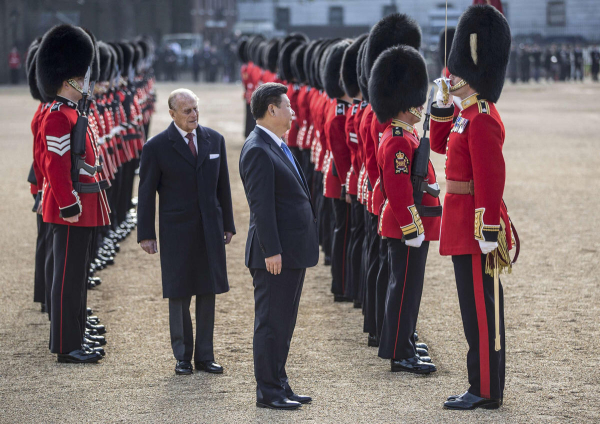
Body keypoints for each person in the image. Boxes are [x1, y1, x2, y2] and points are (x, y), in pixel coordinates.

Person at [430, 5, 515, 409]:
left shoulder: (483, 118)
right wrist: (441, 104)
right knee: (472, 310)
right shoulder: (467, 115)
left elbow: (490, 178)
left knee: (481, 311)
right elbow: (437, 144)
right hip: (460, 221)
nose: (453, 75)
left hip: (474, 226)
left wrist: (489, 230)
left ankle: (485, 389)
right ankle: (480, 383)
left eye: (459, 71)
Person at [137, 88, 235, 376]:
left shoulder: (214, 139)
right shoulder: (155, 147)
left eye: (195, 109)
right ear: (172, 114)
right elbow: (146, 194)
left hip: (210, 229)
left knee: (207, 291)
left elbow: (223, 188)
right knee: (179, 294)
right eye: (187, 110)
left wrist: (227, 224)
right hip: (176, 230)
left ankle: (205, 355)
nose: (194, 115)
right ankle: (183, 356)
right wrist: (146, 233)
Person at [239, 82, 318, 410]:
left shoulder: (275, 144)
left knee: (283, 322)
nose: (293, 111)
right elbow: (261, 206)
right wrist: (272, 249)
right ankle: (268, 391)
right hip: (276, 253)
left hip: (291, 249)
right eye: (287, 106)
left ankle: (280, 383)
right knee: (271, 323)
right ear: (271, 109)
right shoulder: (258, 147)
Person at [37, 24, 111, 363]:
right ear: (69, 80)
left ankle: (77, 337)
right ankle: (66, 347)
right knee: (66, 279)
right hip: (71, 208)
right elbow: (55, 166)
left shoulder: (72, 113)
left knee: (78, 276)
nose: (86, 83)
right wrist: (68, 205)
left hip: (83, 204)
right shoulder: (57, 116)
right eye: (81, 78)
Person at [369, 45, 441, 374]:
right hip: (404, 228)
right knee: (403, 290)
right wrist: (413, 228)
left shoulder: (406, 134)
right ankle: (399, 352)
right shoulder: (398, 138)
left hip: (410, 227)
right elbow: (398, 191)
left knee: (410, 290)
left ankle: (405, 340)